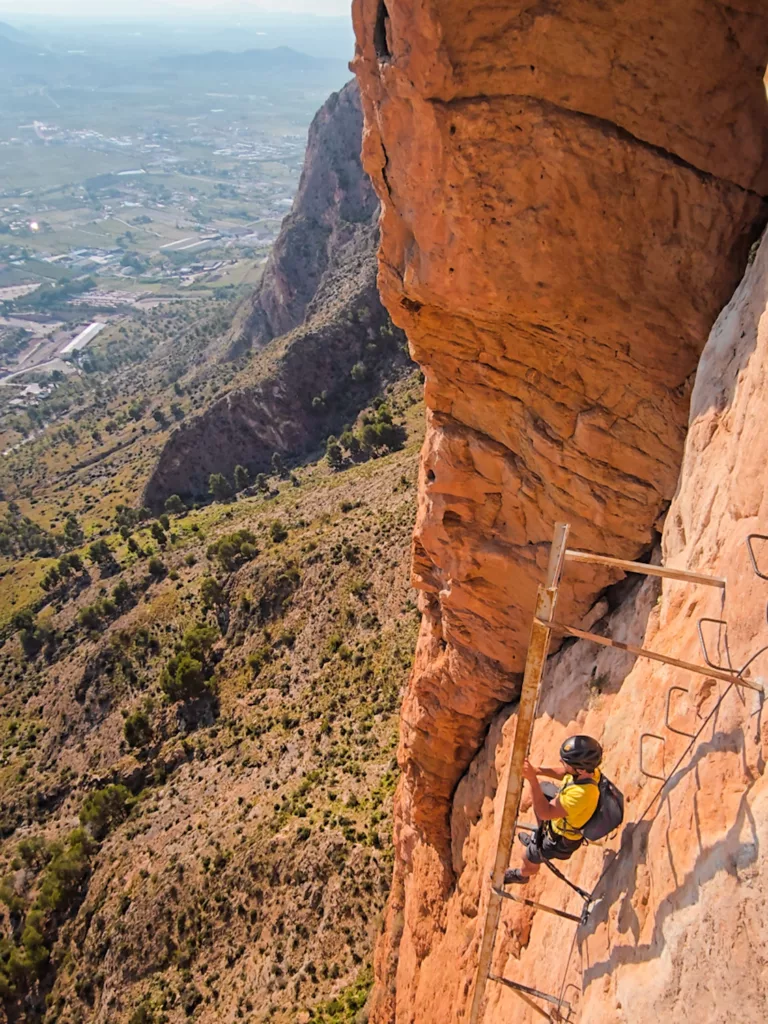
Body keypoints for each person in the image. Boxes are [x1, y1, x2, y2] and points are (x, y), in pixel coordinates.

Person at [504, 735, 603, 885]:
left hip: (560, 840)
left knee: (528, 856)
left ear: (581, 770)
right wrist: (538, 771)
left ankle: (522, 874)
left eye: (566, 762)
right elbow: (564, 772)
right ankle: (539, 834)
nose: (561, 762)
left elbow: (545, 812)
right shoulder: (590, 772)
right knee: (543, 790)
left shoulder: (581, 795)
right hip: (565, 812)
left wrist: (532, 779)